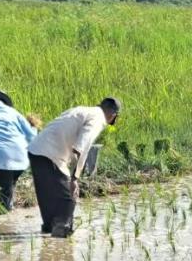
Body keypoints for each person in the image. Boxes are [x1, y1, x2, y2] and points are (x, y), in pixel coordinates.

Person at [27, 98, 122, 238]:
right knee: (69, 196)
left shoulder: (82, 110)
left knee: (46, 193)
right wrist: (74, 178)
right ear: (113, 115)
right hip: (51, 153)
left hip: (36, 149)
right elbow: (81, 147)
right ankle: (62, 229)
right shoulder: (98, 119)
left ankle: (49, 227)